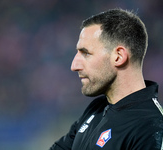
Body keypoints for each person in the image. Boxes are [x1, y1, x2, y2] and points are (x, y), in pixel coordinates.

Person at [49, 8, 163, 150]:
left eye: (86, 53)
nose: (74, 65)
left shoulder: (151, 128)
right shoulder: (96, 109)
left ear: (118, 57)